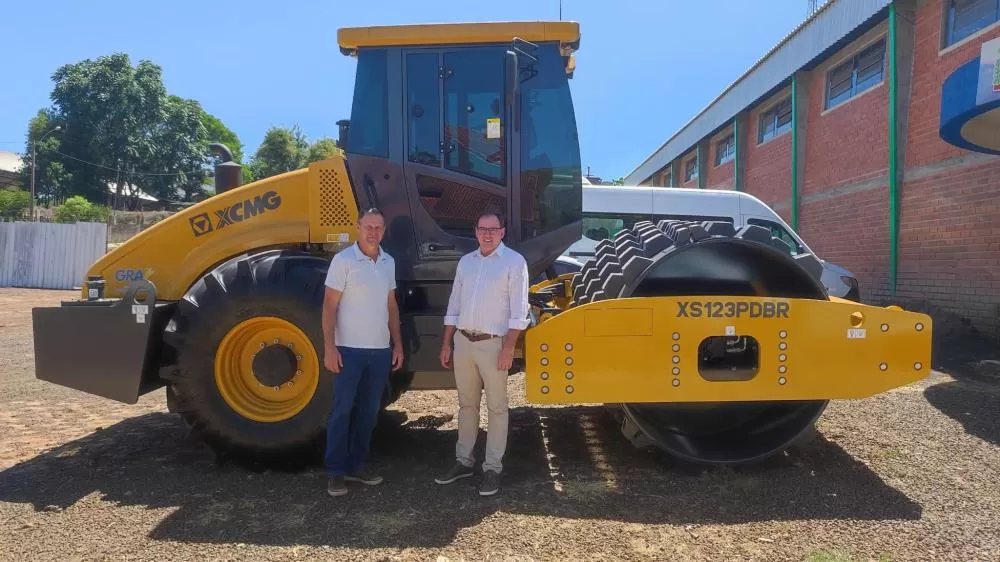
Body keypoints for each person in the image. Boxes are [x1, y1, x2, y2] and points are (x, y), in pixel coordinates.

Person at [434, 209, 530, 497]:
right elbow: (454, 305)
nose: (487, 234)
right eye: (482, 229)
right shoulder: (466, 262)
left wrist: (508, 348)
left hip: (493, 345)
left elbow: (519, 311)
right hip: (463, 342)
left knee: (497, 408)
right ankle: (464, 461)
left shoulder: (514, 262)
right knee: (466, 405)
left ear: (502, 232)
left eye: (493, 229)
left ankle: (492, 468)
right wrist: (446, 343)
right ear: (475, 231)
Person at [321, 208, 403, 497]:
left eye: (378, 227)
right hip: (349, 351)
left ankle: (356, 465)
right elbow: (329, 306)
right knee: (342, 411)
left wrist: (397, 344)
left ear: (384, 231)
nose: (373, 232)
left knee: (369, 412)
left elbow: (391, 305)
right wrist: (329, 347)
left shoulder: (388, 262)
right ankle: (335, 472)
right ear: (358, 228)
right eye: (368, 227)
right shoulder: (343, 261)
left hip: (379, 352)